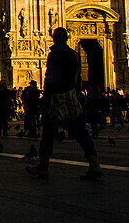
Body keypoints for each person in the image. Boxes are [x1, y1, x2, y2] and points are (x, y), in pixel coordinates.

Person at [26, 28, 103, 181]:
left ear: (55, 38)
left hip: (56, 99)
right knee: (81, 132)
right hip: (71, 97)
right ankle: (94, 162)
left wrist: (47, 97)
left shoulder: (54, 54)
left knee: (48, 133)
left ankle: (43, 166)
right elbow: (77, 77)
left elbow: (49, 77)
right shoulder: (73, 54)